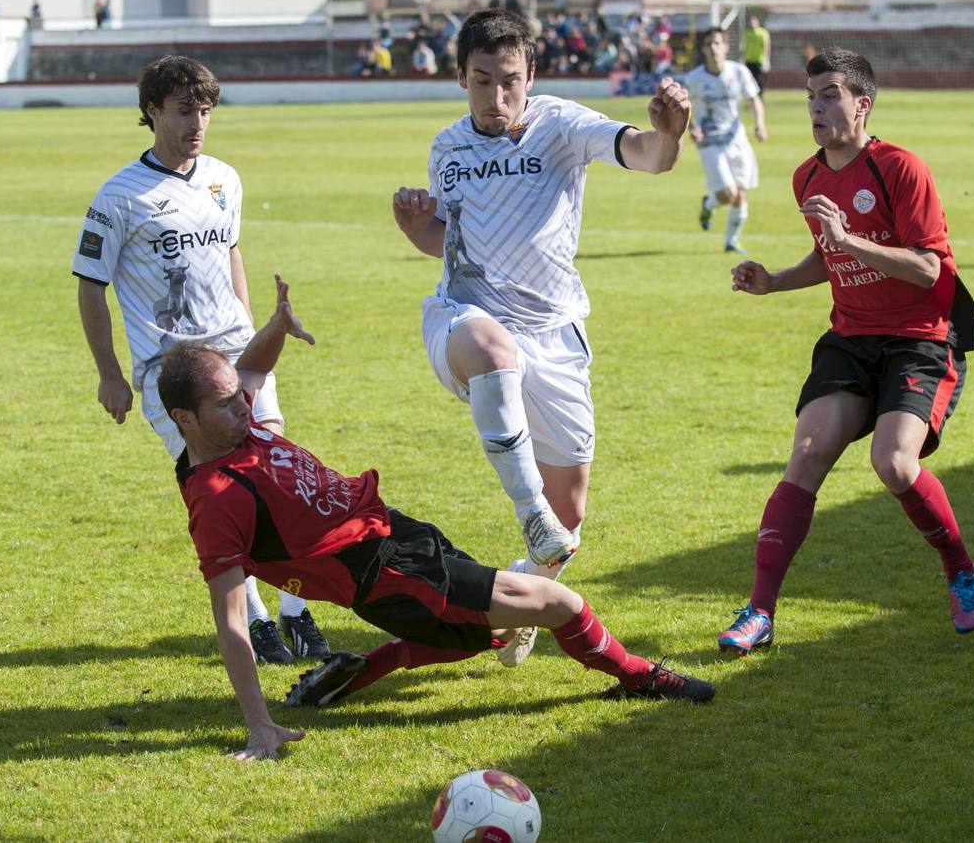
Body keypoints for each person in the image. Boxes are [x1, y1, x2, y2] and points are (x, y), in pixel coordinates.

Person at [165, 282, 715, 760]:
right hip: (385, 577)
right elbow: (233, 623)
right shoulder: (217, 499)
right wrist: (259, 725)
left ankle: (362, 667)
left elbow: (254, 367)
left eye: (242, 399)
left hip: (396, 532)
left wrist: (277, 326)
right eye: (227, 403)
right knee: (558, 604)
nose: (244, 407)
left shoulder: (229, 422)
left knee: (482, 631)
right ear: (183, 419)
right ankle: (641, 677)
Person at [390, 8, 690, 668]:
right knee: (495, 354)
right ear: (460, 79)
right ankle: (529, 513)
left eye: (510, 81)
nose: (497, 98)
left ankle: (526, 588)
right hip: (464, 318)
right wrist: (420, 230)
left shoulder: (559, 125)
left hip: (555, 333)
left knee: (571, 518)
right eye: (481, 81)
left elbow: (646, 154)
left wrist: (667, 137)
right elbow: (453, 244)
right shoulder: (449, 148)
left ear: (532, 76)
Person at [717, 48, 974, 656]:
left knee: (893, 465)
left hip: (921, 339)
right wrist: (775, 280)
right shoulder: (806, 177)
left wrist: (847, 238)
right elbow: (829, 256)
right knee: (806, 455)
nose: (816, 107)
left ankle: (961, 571)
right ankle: (759, 610)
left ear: (862, 104)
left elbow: (925, 268)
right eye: (810, 96)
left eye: (830, 94)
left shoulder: (901, 169)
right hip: (851, 340)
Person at [72, 55, 329, 666]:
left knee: (280, 478)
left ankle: (294, 606)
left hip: (238, 356)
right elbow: (89, 285)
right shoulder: (117, 198)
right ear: (152, 112)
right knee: (223, 493)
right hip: (174, 372)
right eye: (185, 110)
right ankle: (261, 620)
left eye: (206, 110)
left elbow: (231, 253)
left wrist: (254, 333)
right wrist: (109, 373)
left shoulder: (223, 178)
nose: (198, 123)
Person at [684, 27, 767, 254]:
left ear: (725, 47)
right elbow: (683, 106)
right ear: (703, 49)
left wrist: (760, 124)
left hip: (736, 140)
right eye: (709, 44)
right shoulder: (694, 79)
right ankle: (709, 204)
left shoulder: (739, 72)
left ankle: (731, 241)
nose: (713, 47)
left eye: (717, 43)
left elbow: (754, 99)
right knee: (726, 194)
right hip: (709, 142)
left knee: (740, 193)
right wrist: (692, 128)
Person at [742, 14, 772, 93]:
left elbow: (766, 46)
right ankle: (752, 96)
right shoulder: (746, 33)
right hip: (749, 60)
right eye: (750, 22)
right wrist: (743, 58)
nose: (752, 24)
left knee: (760, 80)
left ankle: (760, 96)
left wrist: (766, 59)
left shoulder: (762, 33)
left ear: (757, 23)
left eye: (753, 22)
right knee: (750, 80)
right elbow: (744, 47)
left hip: (760, 60)